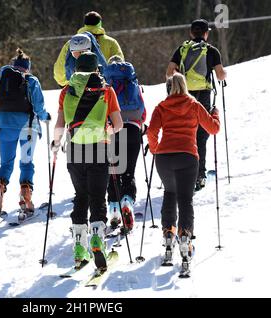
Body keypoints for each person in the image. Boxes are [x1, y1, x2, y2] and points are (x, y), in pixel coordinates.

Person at [51, 52, 123, 270]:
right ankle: (97, 238)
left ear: (76, 68)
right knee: (98, 195)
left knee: (80, 195)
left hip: (74, 149)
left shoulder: (66, 91)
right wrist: (107, 130)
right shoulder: (106, 90)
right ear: (96, 68)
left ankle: (80, 247)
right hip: (98, 148)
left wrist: (55, 145)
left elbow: (60, 124)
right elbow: (118, 124)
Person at [147, 73, 220, 267]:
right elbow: (213, 129)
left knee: (170, 193)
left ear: (169, 87)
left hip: (164, 158)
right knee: (185, 199)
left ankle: (168, 233)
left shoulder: (161, 107)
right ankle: (185, 237)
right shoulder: (194, 105)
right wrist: (215, 114)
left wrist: (155, 150)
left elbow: (152, 132)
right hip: (187, 156)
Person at [0, 48, 50, 228]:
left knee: (6, 163)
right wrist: (45, 117)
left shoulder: (3, 80)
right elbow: (38, 107)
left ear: (13, 66)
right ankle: (25, 198)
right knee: (26, 162)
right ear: (27, 68)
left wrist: (0, 121)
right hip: (28, 127)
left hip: (5, 125)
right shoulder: (32, 81)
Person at [166, 19, 227, 191]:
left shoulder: (182, 49)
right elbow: (221, 75)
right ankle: (200, 176)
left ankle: (183, 173)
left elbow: (169, 73)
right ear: (206, 33)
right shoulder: (211, 50)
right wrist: (224, 74)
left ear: (191, 33)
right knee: (201, 134)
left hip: (184, 95)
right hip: (203, 96)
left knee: (185, 132)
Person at [103, 55, 146, 233]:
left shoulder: (106, 86)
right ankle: (127, 201)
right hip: (134, 129)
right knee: (129, 172)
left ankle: (114, 209)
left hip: (113, 130)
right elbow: (143, 113)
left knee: (113, 170)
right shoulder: (133, 82)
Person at [54, 11, 124, 87]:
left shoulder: (72, 43)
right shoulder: (111, 42)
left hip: (78, 86)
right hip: (104, 87)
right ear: (100, 23)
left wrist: (66, 83)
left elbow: (59, 69)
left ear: (85, 24)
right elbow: (120, 65)